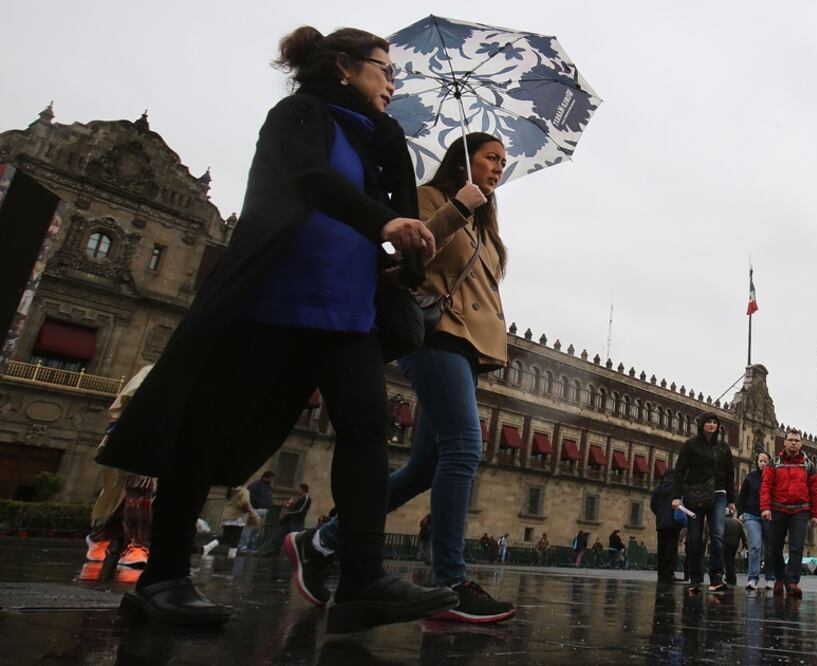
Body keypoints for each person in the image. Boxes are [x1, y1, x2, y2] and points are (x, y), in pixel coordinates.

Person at [98, 25, 455, 631]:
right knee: (207, 428)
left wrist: (408, 257)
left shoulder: (385, 140)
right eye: (384, 70)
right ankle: (160, 579)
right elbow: (308, 182)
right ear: (343, 66)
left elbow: (399, 218)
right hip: (275, 297)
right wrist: (383, 223)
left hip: (349, 313)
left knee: (367, 432)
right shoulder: (299, 115)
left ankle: (363, 580)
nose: (393, 84)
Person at [287, 130, 515, 623]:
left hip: (469, 347)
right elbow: (402, 256)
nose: (499, 168)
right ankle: (448, 580)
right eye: (491, 158)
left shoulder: (486, 224)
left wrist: (475, 214)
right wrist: (458, 206)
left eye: (503, 162)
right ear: (464, 160)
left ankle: (320, 541)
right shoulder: (430, 198)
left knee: (423, 469)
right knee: (464, 448)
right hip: (433, 335)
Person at [85, 365, 155, 571]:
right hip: (133, 439)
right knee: (139, 488)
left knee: (126, 497)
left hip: (158, 442)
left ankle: (100, 537)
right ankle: (136, 546)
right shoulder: (152, 371)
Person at [671, 413, 736, 595]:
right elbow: (679, 471)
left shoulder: (723, 448)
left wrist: (731, 499)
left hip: (718, 494)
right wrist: (677, 496)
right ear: (702, 424)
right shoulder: (690, 445)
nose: (712, 425)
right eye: (709, 422)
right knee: (694, 537)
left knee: (717, 534)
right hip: (695, 496)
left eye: (715, 422)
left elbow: (729, 474)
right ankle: (695, 578)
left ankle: (716, 577)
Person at [760, 429, 817, 598]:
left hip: (800, 510)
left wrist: (816, 514)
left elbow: (815, 491)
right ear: (785, 442)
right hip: (778, 508)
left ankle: (792, 581)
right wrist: (765, 508)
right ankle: (780, 576)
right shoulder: (774, 463)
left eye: (797, 440)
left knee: (796, 547)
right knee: (774, 547)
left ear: (801, 444)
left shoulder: (809, 465)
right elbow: (766, 486)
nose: (793, 443)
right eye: (790, 440)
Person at [736, 452, 773, 590]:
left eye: (766, 461)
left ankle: (770, 578)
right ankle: (752, 579)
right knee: (755, 546)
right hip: (751, 516)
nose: (763, 463)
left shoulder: (773, 479)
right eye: (761, 461)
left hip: (769, 516)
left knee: (770, 548)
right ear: (757, 462)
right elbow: (742, 496)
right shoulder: (750, 478)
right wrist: (740, 513)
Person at [650, 470, 682, 582]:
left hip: (661, 523)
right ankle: (669, 573)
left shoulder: (659, 487)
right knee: (671, 548)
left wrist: (659, 514)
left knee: (661, 547)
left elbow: (653, 503)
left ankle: (661, 572)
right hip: (673, 522)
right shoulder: (677, 487)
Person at [265, 483, 311, 556]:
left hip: (296, 521)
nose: (297, 490)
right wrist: (289, 506)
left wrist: (289, 513)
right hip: (289, 520)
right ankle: (274, 551)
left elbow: (301, 510)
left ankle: (295, 554)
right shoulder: (298, 498)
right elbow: (293, 507)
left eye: (299, 489)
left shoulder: (306, 498)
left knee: (294, 538)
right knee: (280, 535)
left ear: (303, 490)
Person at [220, 486, 261, 559]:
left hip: (227, 516)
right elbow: (246, 502)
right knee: (236, 537)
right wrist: (252, 512)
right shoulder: (244, 491)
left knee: (225, 537)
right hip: (238, 517)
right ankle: (231, 556)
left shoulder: (231, 489)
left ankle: (207, 547)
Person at [239, 471, 275, 553]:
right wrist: (258, 503)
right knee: (249, 528)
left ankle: (251, 546)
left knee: (256, 529)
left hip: (264, 510)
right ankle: (243, 546)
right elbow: (251, 495)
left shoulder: (268, 486)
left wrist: (268, 504)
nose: (272, 480)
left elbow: (268, 496)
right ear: (265, 477)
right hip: (256, 509)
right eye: (271, 478)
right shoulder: (256, 484)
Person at [723, 513, 746, 586]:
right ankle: (731, 577)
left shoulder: (723, 521)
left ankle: (731, 578)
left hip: (726, 542)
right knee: (731, 560)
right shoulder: (738, 523)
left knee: (728, 561)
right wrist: (745, 545)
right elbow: (743, 535)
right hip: (734, 544)